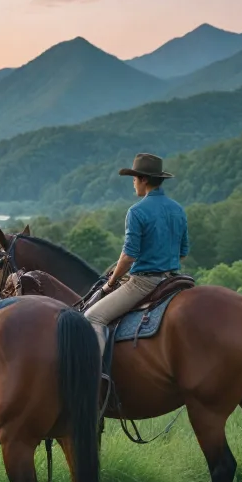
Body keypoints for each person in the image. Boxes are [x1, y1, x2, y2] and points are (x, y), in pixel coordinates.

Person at [84, 152, 189, 360]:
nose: (133, 184)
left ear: (144, 179)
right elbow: (183, 253)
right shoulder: (178, 209)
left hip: (143, 283)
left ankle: (94, 380)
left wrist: (112, 282)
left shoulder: (136, 211)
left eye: (134, 179)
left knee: (92, 318)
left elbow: (129, 256)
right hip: (173, 279)